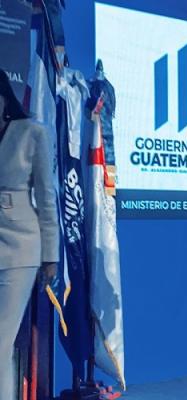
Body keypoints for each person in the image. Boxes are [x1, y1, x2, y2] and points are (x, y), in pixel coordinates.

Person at [0, 68, 59, 400]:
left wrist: (50, 255)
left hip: (20, 249)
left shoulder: (31, 133)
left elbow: (46, 198)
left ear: (4, 98)